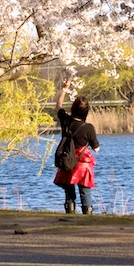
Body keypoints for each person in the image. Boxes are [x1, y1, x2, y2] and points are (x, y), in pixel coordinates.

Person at [52, 78, 99, 214]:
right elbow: (96, 148)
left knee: (69, 189)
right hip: (82, 162)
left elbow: (58, 106)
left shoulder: (66, 121)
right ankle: (87, 212)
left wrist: (64, 89)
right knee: (85, 190)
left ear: (73, 108)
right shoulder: (89, 128)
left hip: (68, 158)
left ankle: (70, 211)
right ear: (86, 112)